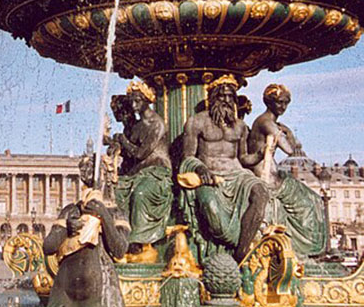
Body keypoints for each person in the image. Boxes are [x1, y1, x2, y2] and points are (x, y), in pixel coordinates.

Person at [179, 75, 268, 262]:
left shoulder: (241, 127)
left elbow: (242, 157)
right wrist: (200, 169)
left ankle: (242, 252)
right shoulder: (197, 122)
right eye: (222, 96)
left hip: (237, 175)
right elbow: (187, 156)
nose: (226, 101)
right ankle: (235, 242)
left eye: (230, 97)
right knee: (211, 209)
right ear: (213, 99)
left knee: (261, 193)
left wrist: (260, 155)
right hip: (209, 176)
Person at [248, 83, 327, 257]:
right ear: (269, 102)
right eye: (279, 102)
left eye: (286, 103)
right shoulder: (267, 123)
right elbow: (289, 149)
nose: (283, 107)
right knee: (309, 203)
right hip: (266, 175)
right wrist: (289, 133)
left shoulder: (266, 121)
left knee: (313, 199)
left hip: (272, 172)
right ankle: (306, 247)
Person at [42, 153, 129, 307]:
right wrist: (67, 229)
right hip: (65, 291)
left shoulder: (115, 212)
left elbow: (119, 249)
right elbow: (48, 246)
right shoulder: (71, 210)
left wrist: (104, 215)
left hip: (100, 291)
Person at [112, 81, 173, 262]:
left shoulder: (157, 124)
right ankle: (121, 241)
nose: (133, 105)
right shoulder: (137, 126)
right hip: (137, 173)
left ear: (148, 100)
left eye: (137, 101)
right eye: (132, 101)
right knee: (114, 192)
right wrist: (116, 144)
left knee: (140, 193)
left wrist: (122, 139)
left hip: (157, 172)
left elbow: (139, 153)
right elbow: (129, 153)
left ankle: (141, 245)